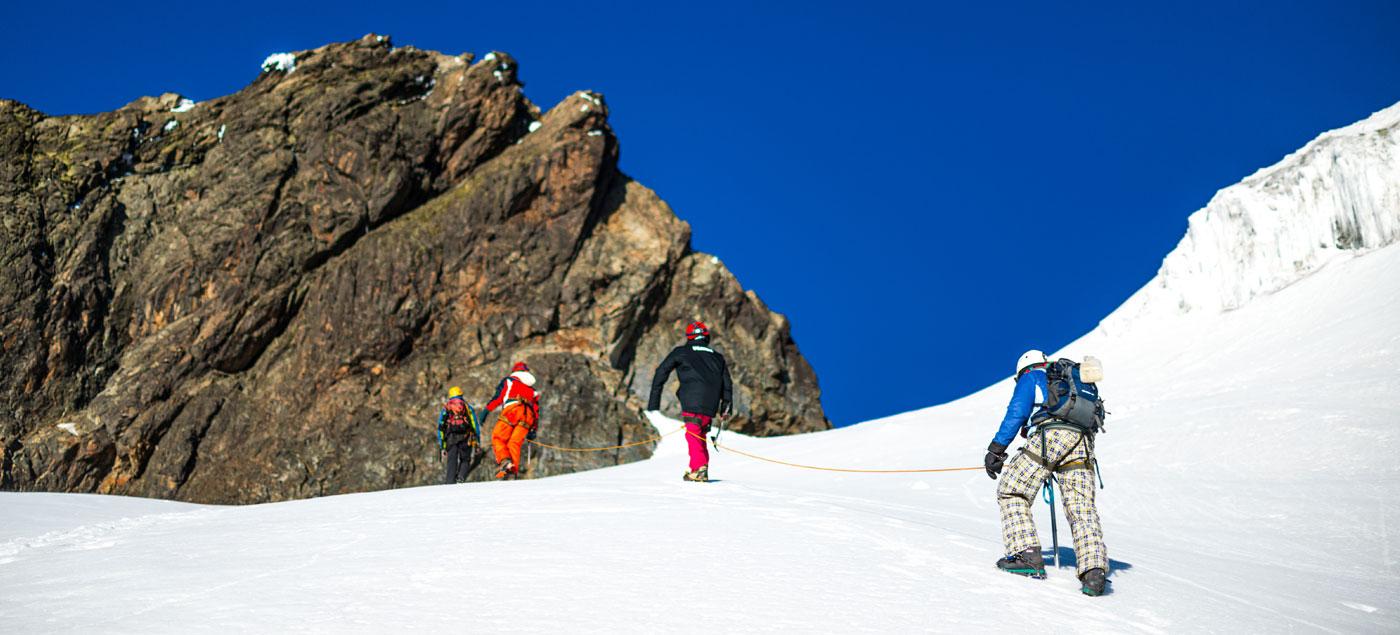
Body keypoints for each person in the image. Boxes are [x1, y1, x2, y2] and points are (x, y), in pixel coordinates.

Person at [984, 350, 1109, 596]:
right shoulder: (1072, 379)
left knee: (1012, 491)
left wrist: (996, 450)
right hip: (1082, 443)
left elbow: (1018, 411)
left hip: (1049, 437)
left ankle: (1027, 556)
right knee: (1081, 508)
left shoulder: (1032, 376)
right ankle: (1094, 571)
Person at [647, 321, 733, 482]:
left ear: (689, 337)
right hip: (711, 404)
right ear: (706, 337)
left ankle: (699, 468)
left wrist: (654, 402)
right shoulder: (718, 357)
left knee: (693, 434)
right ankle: (698, 468)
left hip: (692, 400)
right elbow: (727, 384)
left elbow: (661, 371)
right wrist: (726, 408)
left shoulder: (682, 351)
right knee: (699, 435)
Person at [484, 361, 541, 480]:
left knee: (498, 438)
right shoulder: (532, 391)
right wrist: (533, 430)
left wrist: (485, 412)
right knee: (514, 443)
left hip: (512, 410)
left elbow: (498, 397)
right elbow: (536, 411)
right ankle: (512, 473)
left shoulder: (509, 381)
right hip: (528, 416)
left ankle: (505, 462)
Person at [437, 386, 481, 484]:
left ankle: (450, 483)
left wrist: (442, 446)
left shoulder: (447, 408)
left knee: (451, 462)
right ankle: (460, 477)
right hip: (465, 438)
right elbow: (475, 425)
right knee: (465, 460)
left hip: (450, 439)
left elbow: (440, 428)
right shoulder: (466, 407)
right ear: (461, 395)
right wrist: (477, 441)